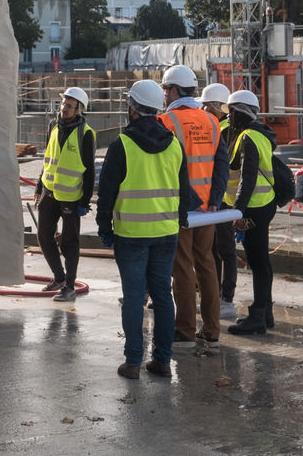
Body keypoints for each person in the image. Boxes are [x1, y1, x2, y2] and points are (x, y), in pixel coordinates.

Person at [96, 79, 197, 379]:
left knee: (133, 297)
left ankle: (133, 362)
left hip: (131, 235)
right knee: (163, 295)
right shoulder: (174, 144)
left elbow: (106, 193)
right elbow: (184, 191)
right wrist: (179, 219)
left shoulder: (122, 145)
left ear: (133, 109)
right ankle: (162, 361)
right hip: (166, 233)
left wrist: (104, 227)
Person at [159, 65, 228, 349]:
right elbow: (221, 165)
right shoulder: (211, 121)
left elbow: (168, 169)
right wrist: (213, 201)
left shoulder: (166, 122)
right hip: (207, 211)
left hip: (181, 209)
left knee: (182, 269)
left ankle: (185, 331)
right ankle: (212, 330)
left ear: (174, 90)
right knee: (207, 265)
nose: (164, 95)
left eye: (165, 89)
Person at [224, 89, 278, 336]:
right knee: (262, 261)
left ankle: (258, 318)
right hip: (264, 204)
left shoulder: (248, 137)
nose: (228, 117)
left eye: (230, 112)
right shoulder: (261, 134)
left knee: (257, 261)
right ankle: (265, 314)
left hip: (253, 208)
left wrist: (238, 212)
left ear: (239, 111)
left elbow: (248, 178)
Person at [34, 86, 96, 302]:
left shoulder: (85, 134)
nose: (64, 108)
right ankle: (58, 277)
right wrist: (39, 186)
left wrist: (85, 200)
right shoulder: (53, 125)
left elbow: (89, 170)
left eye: (69, 106)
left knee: (69, 244)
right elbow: (47, 158)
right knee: (43, 236)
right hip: (49, 192)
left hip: (71, 197)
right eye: (63, 104)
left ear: (79, 110)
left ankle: (69, 286)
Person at [201, 82, 239, 320]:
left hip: (224, 200)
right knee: (214, 249)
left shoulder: (222, 130)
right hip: (217, 199)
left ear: (217, 107)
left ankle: (225, 299)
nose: (202, 110)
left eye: (206, 106)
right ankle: (214, 296)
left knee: (224, 250)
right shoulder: (219, 128)